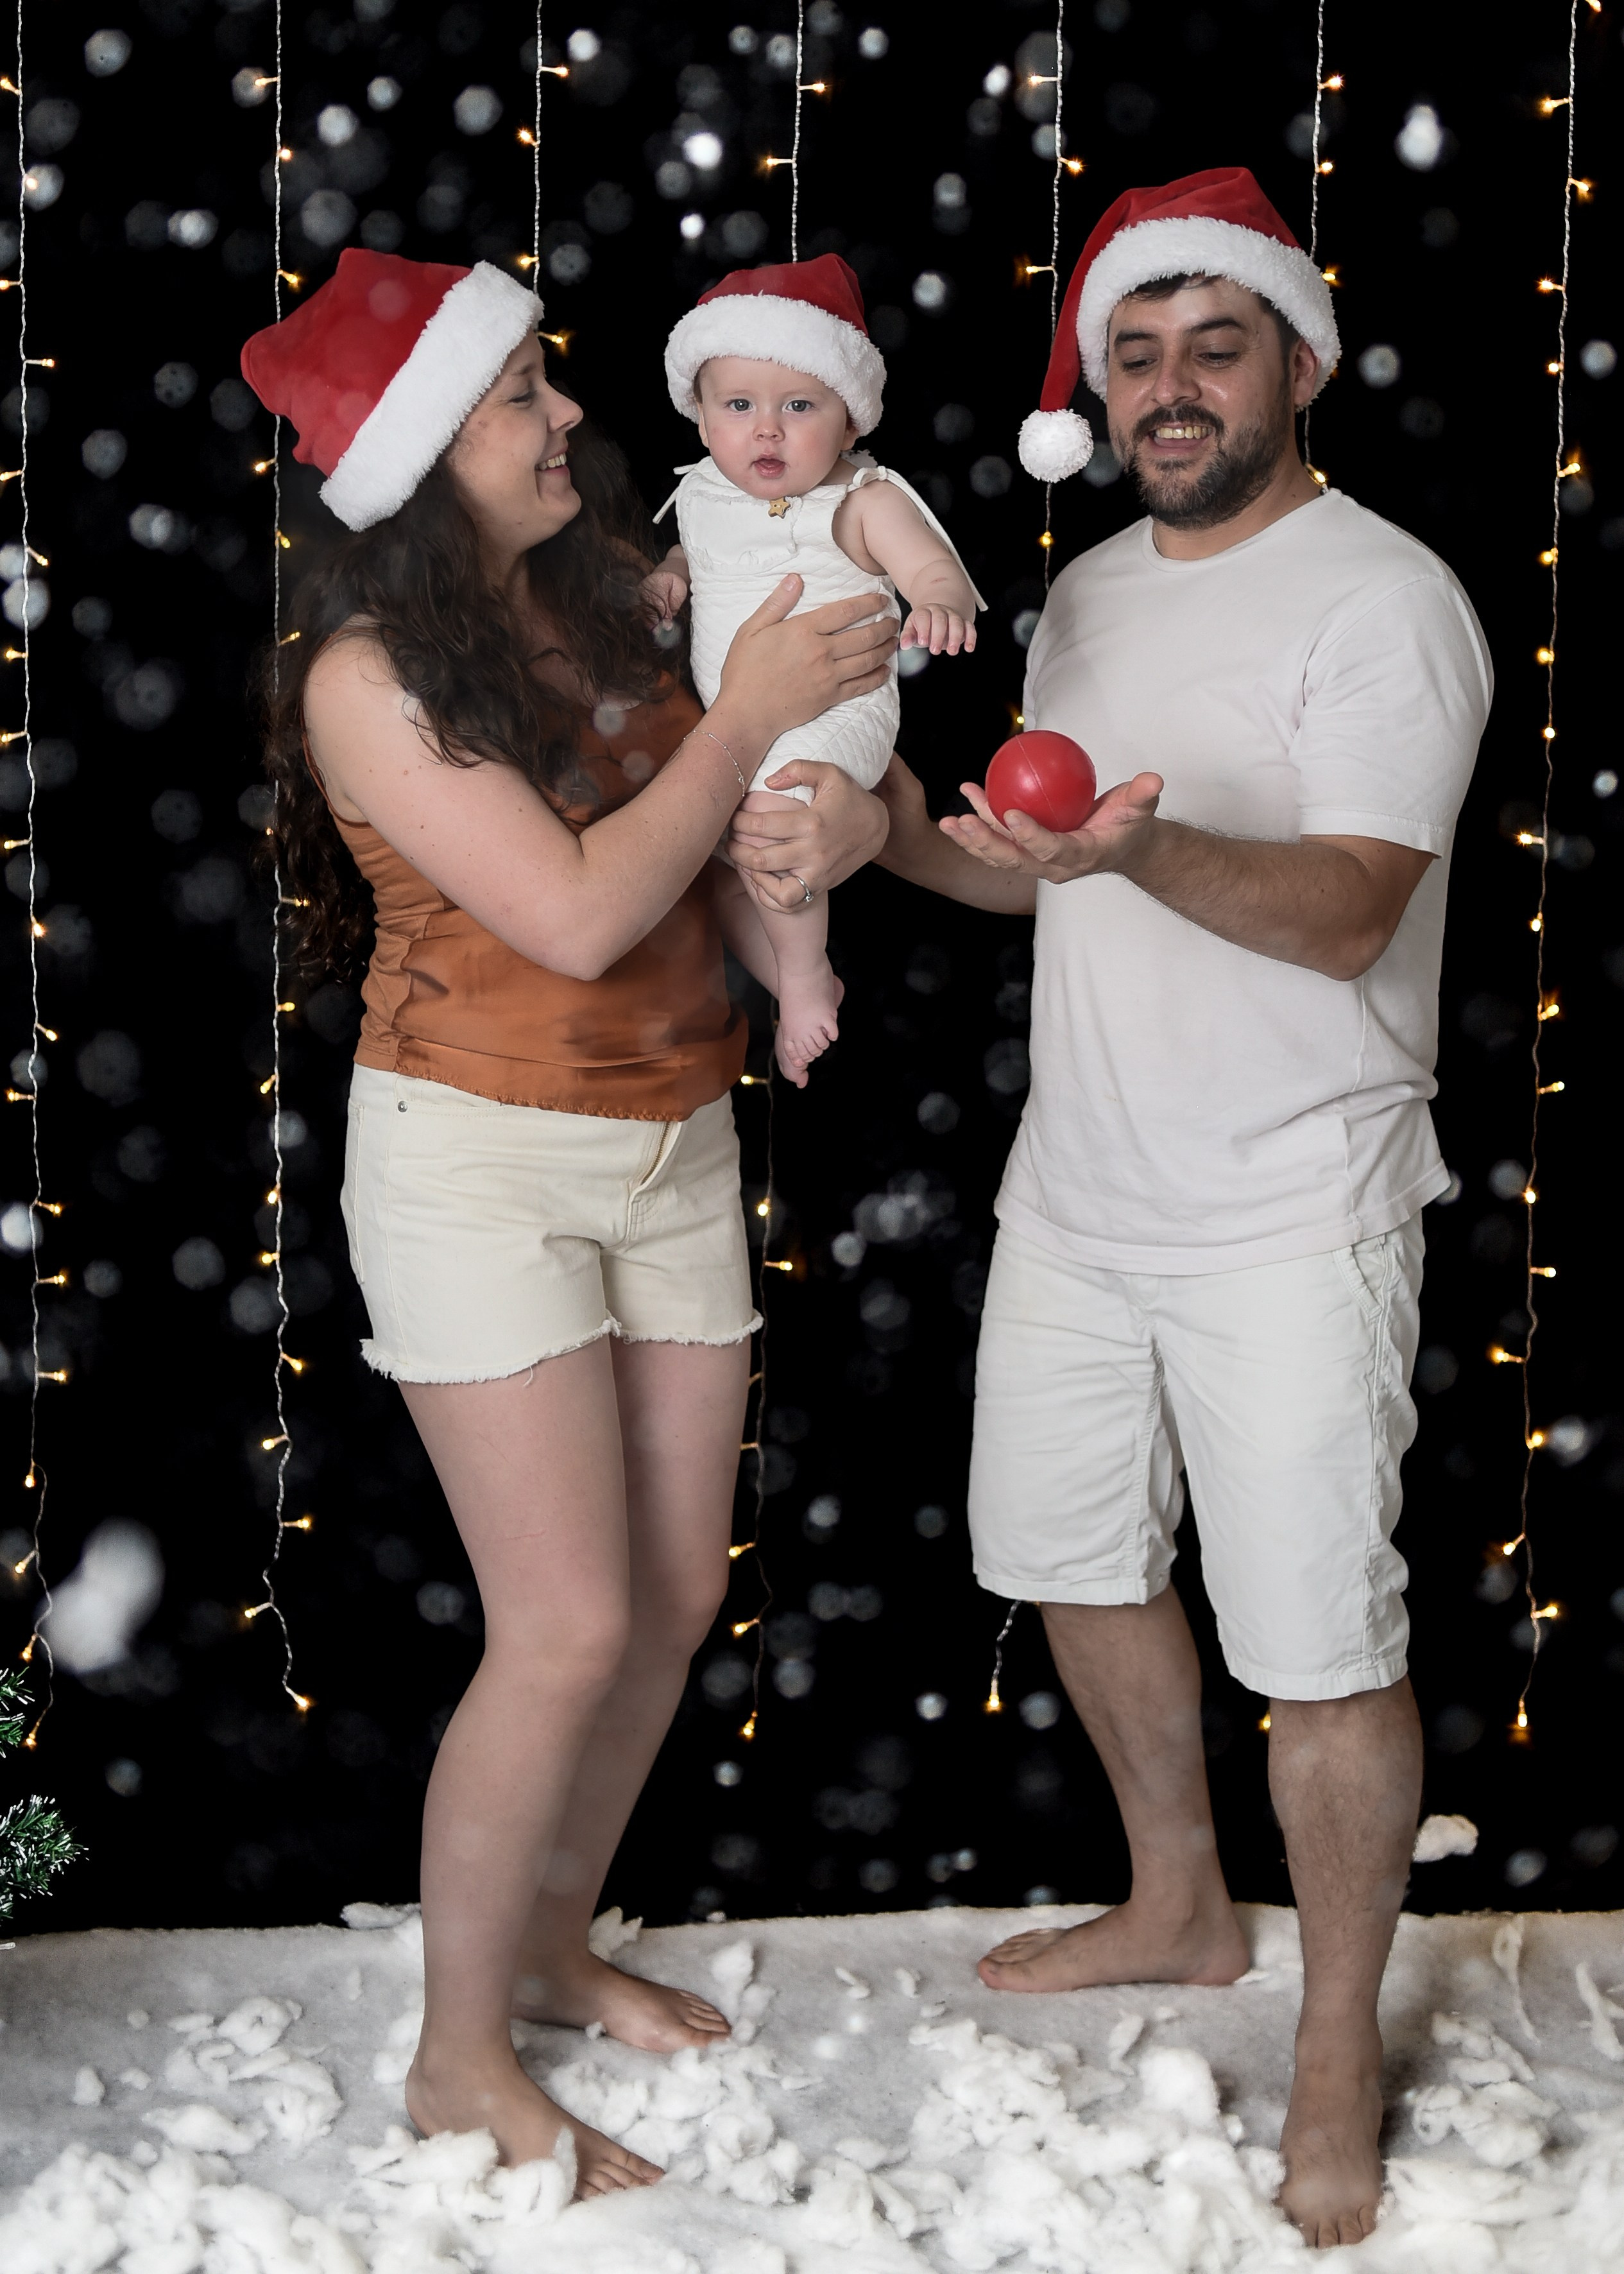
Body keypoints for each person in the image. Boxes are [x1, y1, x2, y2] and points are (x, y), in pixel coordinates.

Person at [871, 169, 1491, 2250]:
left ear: (1297, 364)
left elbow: (1344, 911)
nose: (1166, 386)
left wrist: (1135, 862)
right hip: (1082, 1188)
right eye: (1133, 353)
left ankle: (1334, 2027)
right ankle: (1175, 1897)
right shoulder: (1091, 595)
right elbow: (1032, 860)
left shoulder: (1381, 595)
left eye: (1211, 346)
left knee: (1316, 1644)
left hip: (1292, 1204)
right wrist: (882, 825)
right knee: (1062, 1549)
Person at [241, 247, 893, 2197]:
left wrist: (838, 808)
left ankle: (542, 1939)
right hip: (476, 1167)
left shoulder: (602, 599)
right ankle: (459, 2059)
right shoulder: (364, 679)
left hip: (672, 1138)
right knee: (566, 1623)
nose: (569, 421)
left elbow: (763, 793)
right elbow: (589, 909)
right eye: (520, 398)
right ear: (432, 452)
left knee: (676, 1596)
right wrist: (744, 709)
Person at [654, 254, 982, 1086]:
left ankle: (803, 977)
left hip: (835, 710)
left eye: (799, 406)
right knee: (710, 849)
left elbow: (935, 571)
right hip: (738, 713)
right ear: (701, 420)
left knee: (771, 812)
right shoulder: (701, 493)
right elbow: (690, 554)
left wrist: (939, 605)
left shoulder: (863, 500)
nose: (767, 430)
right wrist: (667, 581)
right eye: (739, 406)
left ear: (849, 422)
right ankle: (788, 972)